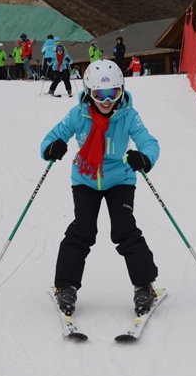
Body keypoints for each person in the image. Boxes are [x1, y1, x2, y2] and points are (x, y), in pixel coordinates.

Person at [41, 59, 160, 317]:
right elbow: (51, 138)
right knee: (83, 230)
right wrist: (51, 148)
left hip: (120, 180)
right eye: (99, 94)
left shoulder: (128, 115)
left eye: (112, 93)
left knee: (124, 229)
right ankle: (65, 285)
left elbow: (149, 142)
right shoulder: (78, 114)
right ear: (88, 92)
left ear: (121, 91)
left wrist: (145, 158)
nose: (106, 100)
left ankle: (144, 285)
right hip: (85, 180)